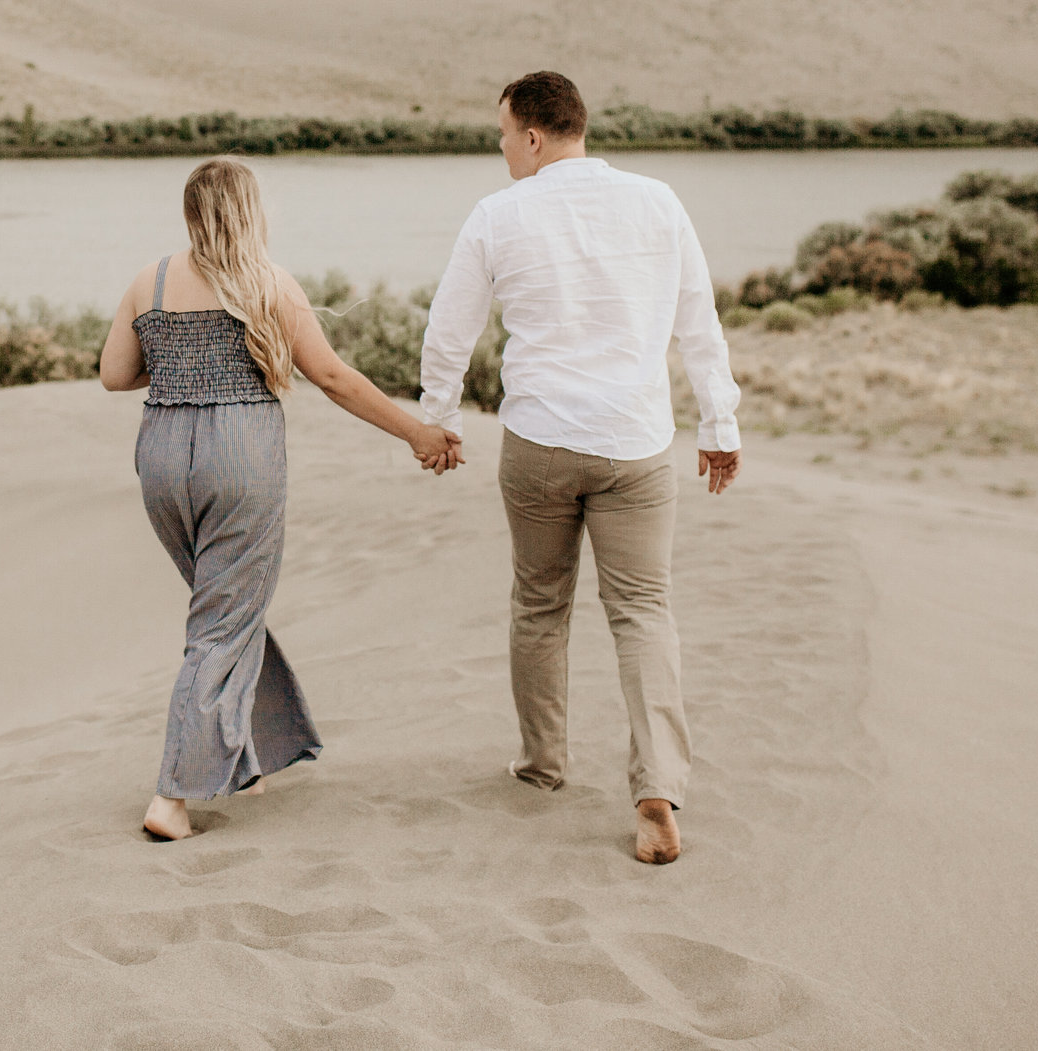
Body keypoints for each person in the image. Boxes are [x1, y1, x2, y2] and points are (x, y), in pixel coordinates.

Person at [419, 71, 742, 866]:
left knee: (539, 603)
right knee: (644, 610)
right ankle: (657, 787)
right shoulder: (658, 202)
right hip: (637, 443)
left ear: (533, 135)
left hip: (540, 443)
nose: (502, 148)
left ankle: (542, 763)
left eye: (504, 134)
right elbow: (698, 321)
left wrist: (439, 417)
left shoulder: (498, 215)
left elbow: (450, 328)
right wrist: (719, 421)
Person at [101, 156, 463, 841]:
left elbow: (115, 374)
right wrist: (417, 431)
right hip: (241, 455)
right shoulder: (268, 284)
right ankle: (173, 795)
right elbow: (333, 376)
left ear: (191, 213)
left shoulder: (148, 281)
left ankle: (250, 756)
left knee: (225, 605)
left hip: (162, 457)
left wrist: (179, 359)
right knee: (223, 620)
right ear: (250, 212)